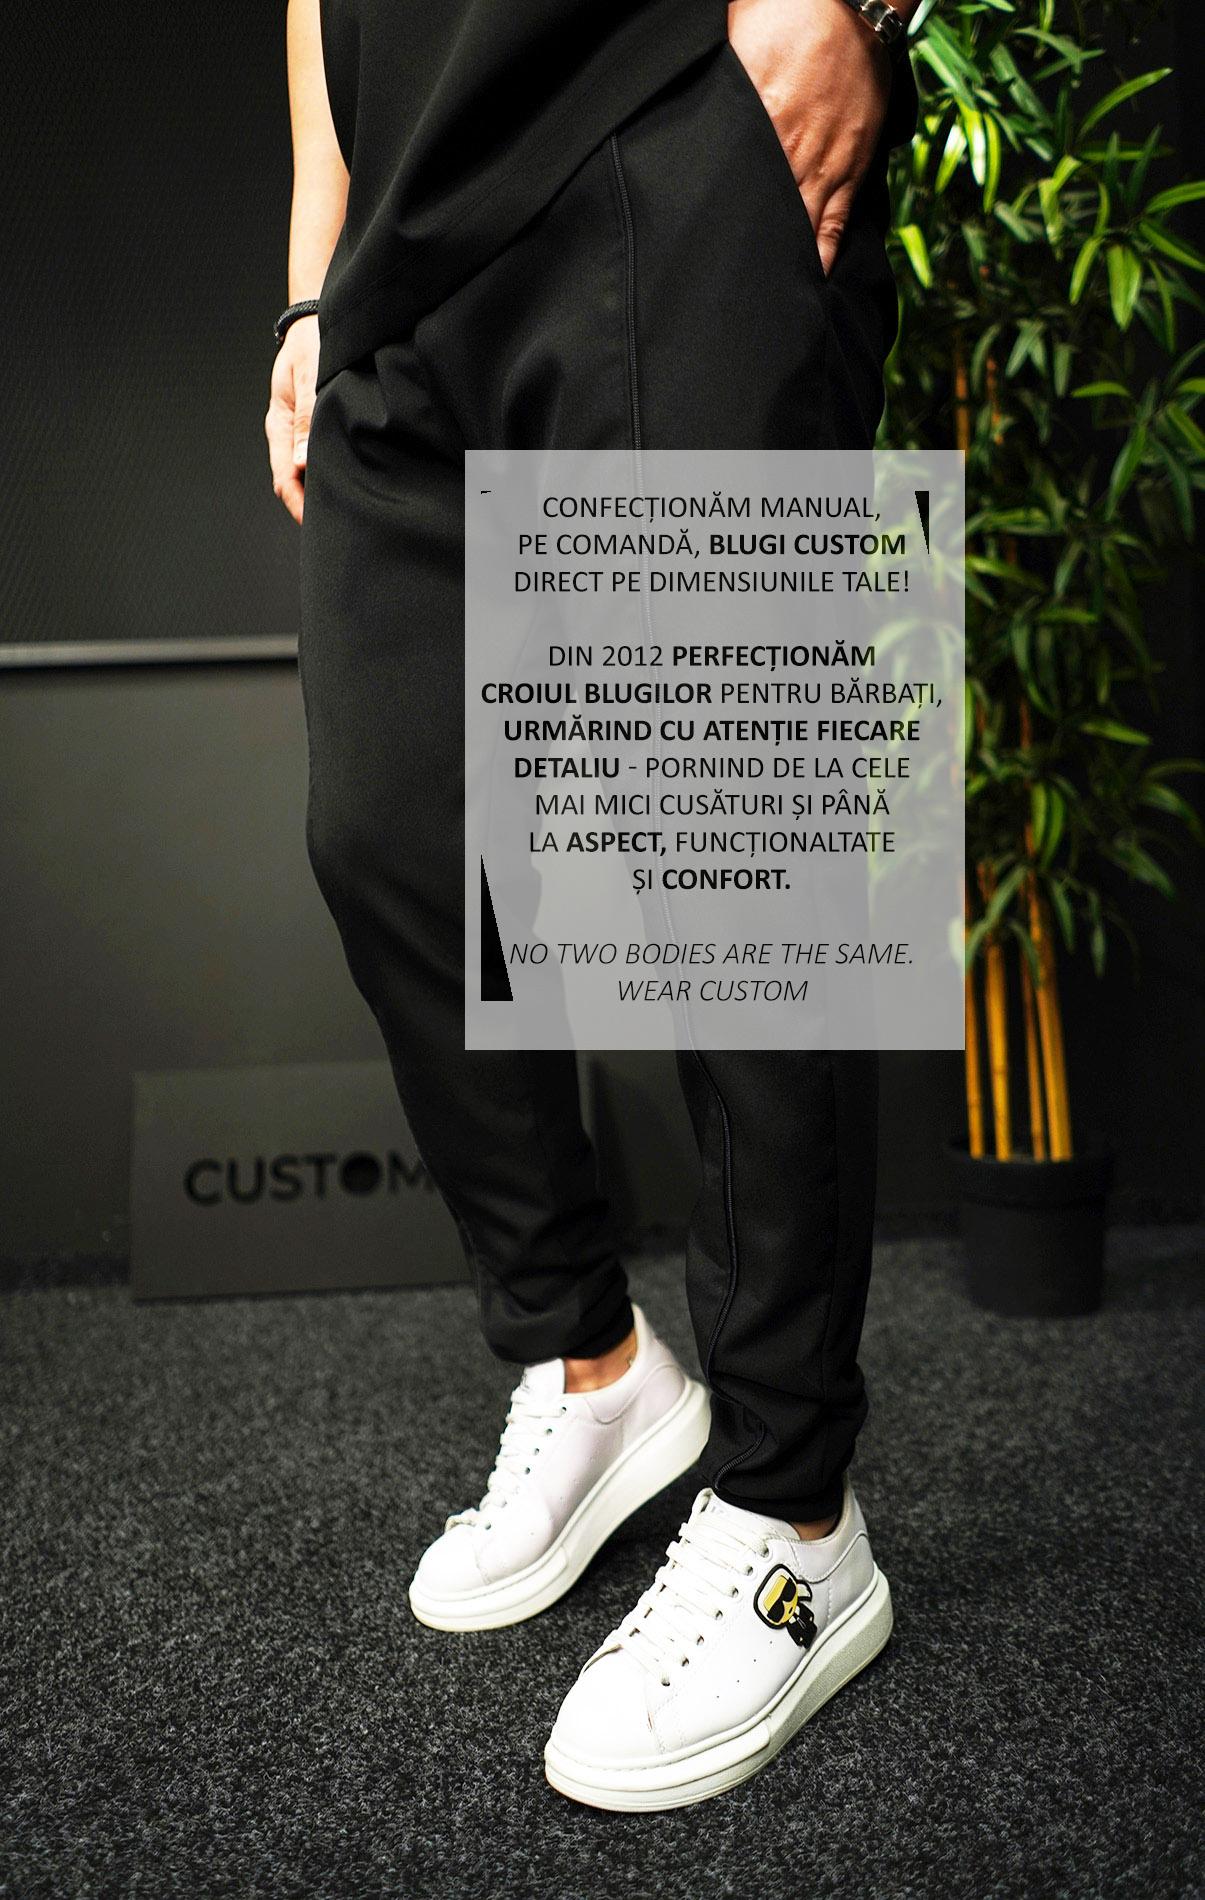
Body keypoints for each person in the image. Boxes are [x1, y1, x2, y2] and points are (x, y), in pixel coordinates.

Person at [266, 0, 919, 1811]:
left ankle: (795, 1513)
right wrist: (312, 284)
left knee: (729, 866)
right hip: (405, 249)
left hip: (664, 117)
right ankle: (597, 1366)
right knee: (389, 838)